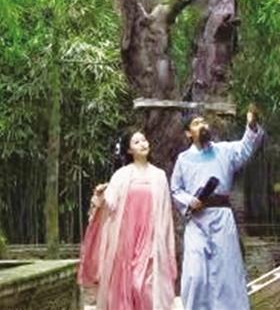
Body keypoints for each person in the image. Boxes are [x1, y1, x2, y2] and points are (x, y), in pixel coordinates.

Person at [171, 107, 264, 310]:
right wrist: (189, 201)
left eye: (203, 122)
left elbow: (245, 148)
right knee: (195, 273)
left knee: (226, 271)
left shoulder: (224, 150)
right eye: (196, 124)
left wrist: (251, 125)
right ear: (188, 133)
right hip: (196, 220)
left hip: (222, 218)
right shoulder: (183, 159)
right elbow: (175, 189)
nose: (202, 125)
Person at [78, 129, 177, 310]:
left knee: (144, 286)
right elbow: (110, 206)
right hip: (125, 240)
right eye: (137, 142)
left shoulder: (159, 176)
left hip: (151, 237)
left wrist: (162, 239)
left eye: (144, 140)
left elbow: (165, 211)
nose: (143, 144)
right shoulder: (121, 175)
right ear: (129, 150)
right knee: (127, 285)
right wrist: (100, 196)